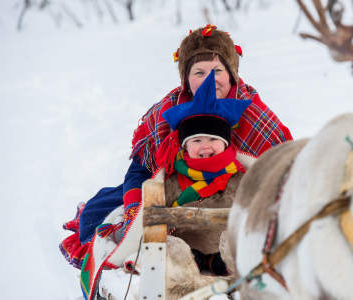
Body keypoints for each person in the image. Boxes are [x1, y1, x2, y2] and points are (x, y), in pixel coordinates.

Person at [60, 24, 293, 270]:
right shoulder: (168, 109)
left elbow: (283, 172)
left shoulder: (252, 115)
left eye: (218, 71)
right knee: (98, 215)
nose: (209, 80)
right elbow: (140, 169)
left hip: (232, 199)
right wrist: (133, 205)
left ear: (232, 73)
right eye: (199, 73)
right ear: (186, 77)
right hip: (174, 190)